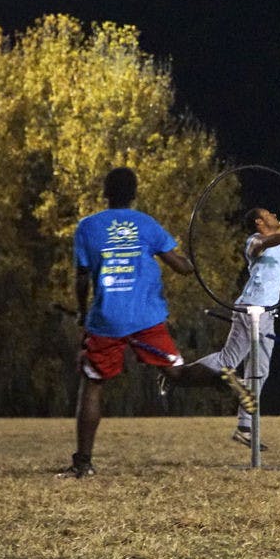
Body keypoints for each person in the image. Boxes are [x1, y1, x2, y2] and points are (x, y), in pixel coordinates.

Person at [162, 163, 280, 450]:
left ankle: (245, 428)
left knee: (260, 372)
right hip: (251, 309)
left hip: (268, 313)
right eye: (268, 214)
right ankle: (177, 376)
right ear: (259, 223)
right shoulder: (254, 242)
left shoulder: (274, 238)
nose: (274, 215)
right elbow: (276, 235)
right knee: (228, 361)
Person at [58, 166, 198, 479]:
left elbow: (81, 278)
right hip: (146, 317)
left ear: (105, 192)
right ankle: (224, 375)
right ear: (134, 194)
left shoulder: (87, 227)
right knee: (176, 371)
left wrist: (82, 312)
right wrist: (193, 262)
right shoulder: (147, 224)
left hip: (107, 317)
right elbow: (181, 266)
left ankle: (83, 464)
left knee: (93, 384)